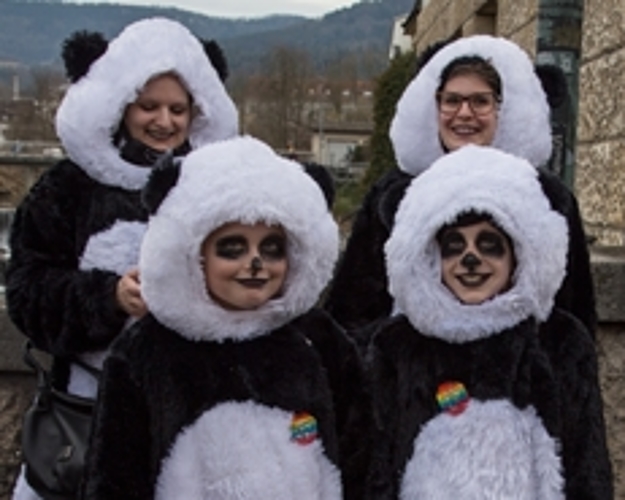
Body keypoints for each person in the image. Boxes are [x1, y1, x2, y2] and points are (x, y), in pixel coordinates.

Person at [6, 17, 238, 499]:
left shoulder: (217, 188)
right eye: (148, 106)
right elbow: (27, 292)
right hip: (86, 411)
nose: (165, 121)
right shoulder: (67, 189)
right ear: (120, 106)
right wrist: (106, 297)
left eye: (179, 108)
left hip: (189, 413)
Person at [81, 136, 366, 499]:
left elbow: (361, 458)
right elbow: (115, 477)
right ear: (195, 254)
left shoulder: (319, 339)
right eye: (233, 248)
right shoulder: (146, 352)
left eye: (272, 248)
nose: (255, 263)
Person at [364, 145, 612, 499]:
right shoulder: (399, 346)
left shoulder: (559, 341)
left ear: (518, 253)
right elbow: (378, 468)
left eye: (489, 245)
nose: (470, 259)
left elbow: (586, 466)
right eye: (453, 246)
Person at [323, 35, 596, 343]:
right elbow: (353, 307)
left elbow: (574, 307)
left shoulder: (545, 196)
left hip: (517, 375)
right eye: (452, 100)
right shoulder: (393, 194)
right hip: (414, 374)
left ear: (500, 110)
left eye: (480, 101)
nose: (464, 113)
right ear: (435, 106)